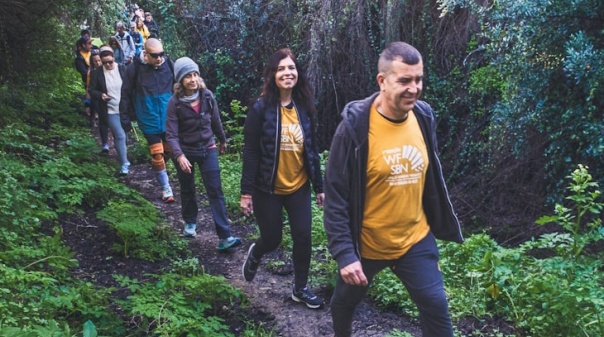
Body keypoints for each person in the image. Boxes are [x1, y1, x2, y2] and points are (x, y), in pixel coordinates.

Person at [323, 41, 464, 337]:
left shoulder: (423, 117)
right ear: (382, 81)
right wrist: (345, 254)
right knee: (344, 304)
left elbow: (431, 178)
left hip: (415, 238)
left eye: (418, 79)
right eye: (404, 80)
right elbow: (335, 197)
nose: (414, 88)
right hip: (368, 243)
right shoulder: (353, 130)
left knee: (435, 306)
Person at [240, 48, 325, 309]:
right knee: (272, 238)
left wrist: (319, 187)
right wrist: (246, 192)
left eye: (291, 68)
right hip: (268, 188)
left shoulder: (305, 107)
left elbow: (311, 149)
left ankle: (300, 288)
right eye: (281, 69)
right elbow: (251, 152)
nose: (287, 73)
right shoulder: (260, 109)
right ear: (272, 75)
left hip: (298, 186)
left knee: (303, 236)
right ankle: (256, 252)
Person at [165, 57, 242, 251]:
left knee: (215, 190)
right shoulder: (175, 103)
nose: (193, 79)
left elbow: (215, 120)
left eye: (195, 75)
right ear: (180, 80)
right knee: (187, 187)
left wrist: (222, 139)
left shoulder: (207, 95)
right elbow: (171, 134)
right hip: (185, 151)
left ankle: (225, 236)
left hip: (208, 148)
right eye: (188, 76)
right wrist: (179, 155)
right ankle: (190, 221)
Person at [121, 38, 176, 202]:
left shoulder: (170, 66)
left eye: (161, 54)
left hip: (168, 118)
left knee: (169, 151)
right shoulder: (134, 69)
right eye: (154, 55)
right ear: (146, 53)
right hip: (147, 117)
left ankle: (159, 170)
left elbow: (179, 88)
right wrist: (126, 118)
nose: (159, 58)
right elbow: (125, 94)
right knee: (157, 152)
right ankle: (167, 189)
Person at [89, 46, 130, 175]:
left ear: (114, 58)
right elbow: (91, 90)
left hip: (124, 109)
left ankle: (124, 157)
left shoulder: (123, 69)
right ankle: (124, 164)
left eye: (110, 62)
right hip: (109, 109)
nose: (108, 64)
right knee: (119, 135)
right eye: (104, 62)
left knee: (125, 136)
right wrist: (101, 95)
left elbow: (131, 86)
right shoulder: (97, 73)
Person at [87, 49, 110, 152]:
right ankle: (105, 143)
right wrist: (87, 103)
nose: (98, 63)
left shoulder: (111, 70)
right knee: (103, 120)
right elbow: (90, 88)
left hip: (113, 99)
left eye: (99, 60)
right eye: (95, 61)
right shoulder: (92, 73)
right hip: (99, 98)